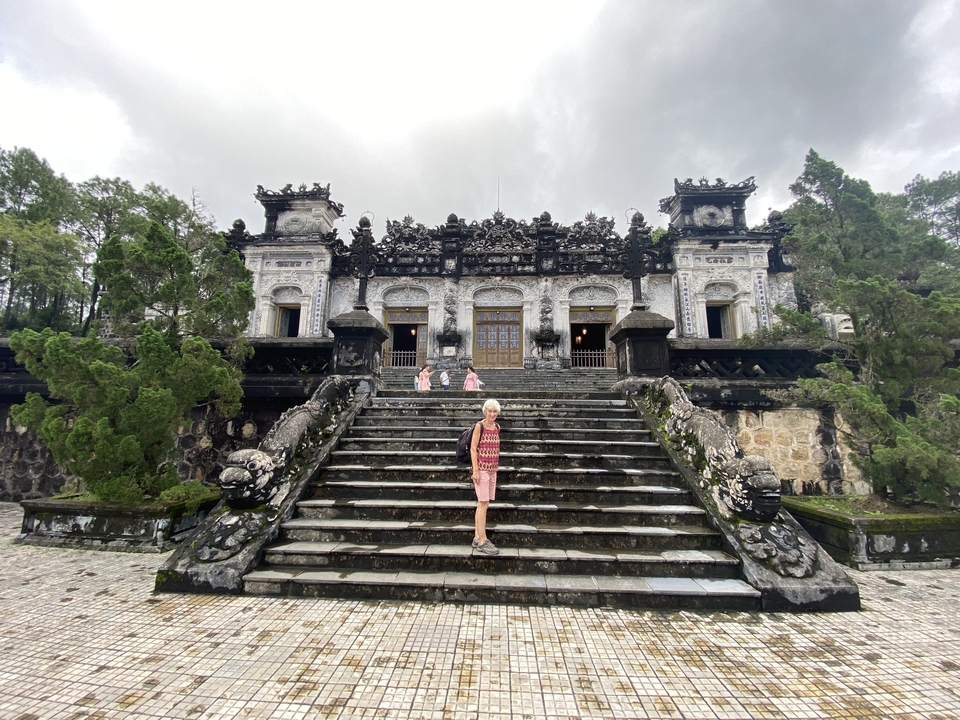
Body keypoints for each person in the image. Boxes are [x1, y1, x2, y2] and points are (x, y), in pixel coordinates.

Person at [470, 398, 501, 555]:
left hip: (492, 469)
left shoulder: (497, 427)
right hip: (481, 469)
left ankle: (477, 536)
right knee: (483, 503)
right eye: (490, 411)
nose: (492, 414)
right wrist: (475, 470)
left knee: (484, 504)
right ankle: (483, 540)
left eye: (495, 411)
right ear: (485, 411)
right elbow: (473, 448)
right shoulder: (479, 426)